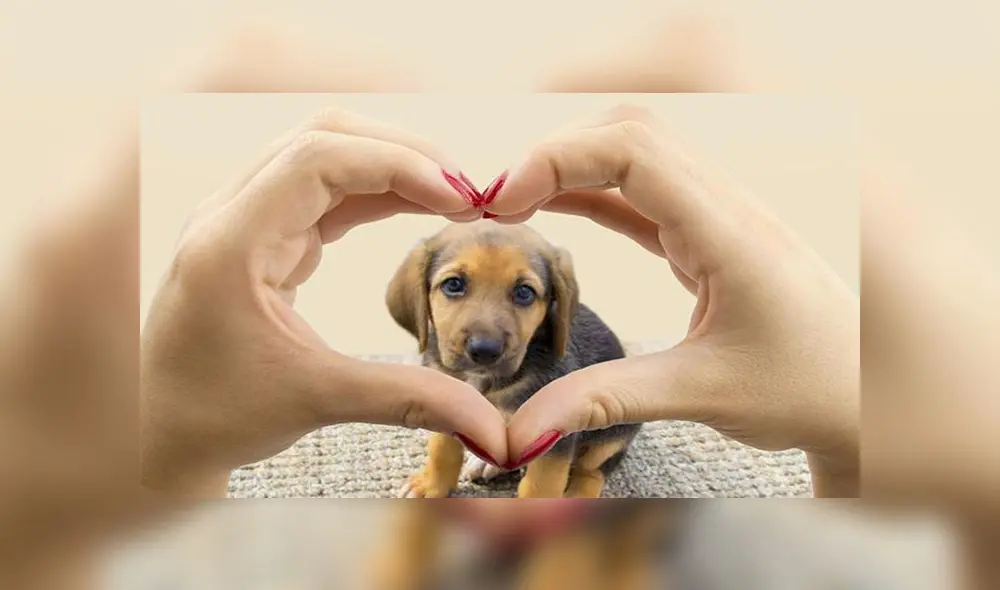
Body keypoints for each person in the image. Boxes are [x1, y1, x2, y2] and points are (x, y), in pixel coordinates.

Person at [139, 103, 860, 499]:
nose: (485, 332)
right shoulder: (437, 346)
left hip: (580, 443)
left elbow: (570, 426)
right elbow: (445, 410)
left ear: (555, 308)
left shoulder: (549, 357)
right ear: (419, 298)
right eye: (454, 288)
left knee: (583, 447)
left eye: (522, 296)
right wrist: (438, 470)